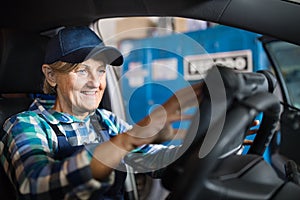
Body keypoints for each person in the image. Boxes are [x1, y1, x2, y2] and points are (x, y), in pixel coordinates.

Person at [0, 26, 202, 199]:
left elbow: (154, 160)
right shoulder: (26, 125)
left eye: (101, 71)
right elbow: (34, 187)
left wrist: (199, 151)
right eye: (82, 70)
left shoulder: (107, 121)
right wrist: (127, 140)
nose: (96, 83)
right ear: (51, 76)